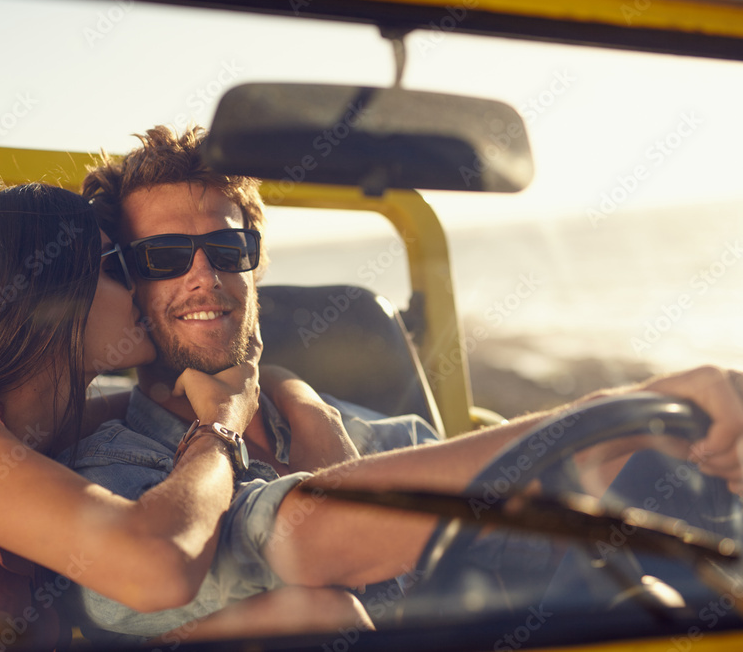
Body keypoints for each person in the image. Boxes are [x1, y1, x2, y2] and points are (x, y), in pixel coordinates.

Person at [63, 125, 743, 644]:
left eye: (229, 248)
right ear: (124, 280)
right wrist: (606, 414)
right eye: (165, 257)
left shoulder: (363, 429)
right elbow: (285, 540)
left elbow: (533, 534)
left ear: (255, 262)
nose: (205, 276)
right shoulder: (118, 481)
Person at [0, 183, 370, 652]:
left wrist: (298, 400)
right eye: (113, 268)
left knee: (318, 615)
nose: (136, 289)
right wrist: (220, 429)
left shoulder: (34, 421)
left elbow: (173, 398)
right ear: (42, 297)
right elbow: (154, 565)